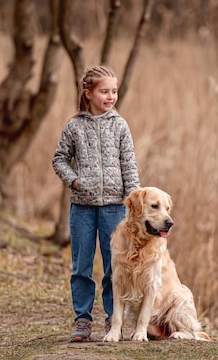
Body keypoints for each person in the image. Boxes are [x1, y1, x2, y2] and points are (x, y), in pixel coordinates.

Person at [52, 65, 140, 342]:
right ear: (88, 93)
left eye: (114, 91)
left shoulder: (120, 126)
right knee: (81, 266)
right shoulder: (74, 126)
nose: (110, 96)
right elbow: (59, 160)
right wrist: (75, 181)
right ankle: (82, 320)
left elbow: (129, 165)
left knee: (114, 267)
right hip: (82, 209)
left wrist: (135, 200)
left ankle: (113, 322)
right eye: (104, 91)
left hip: (115, 208)